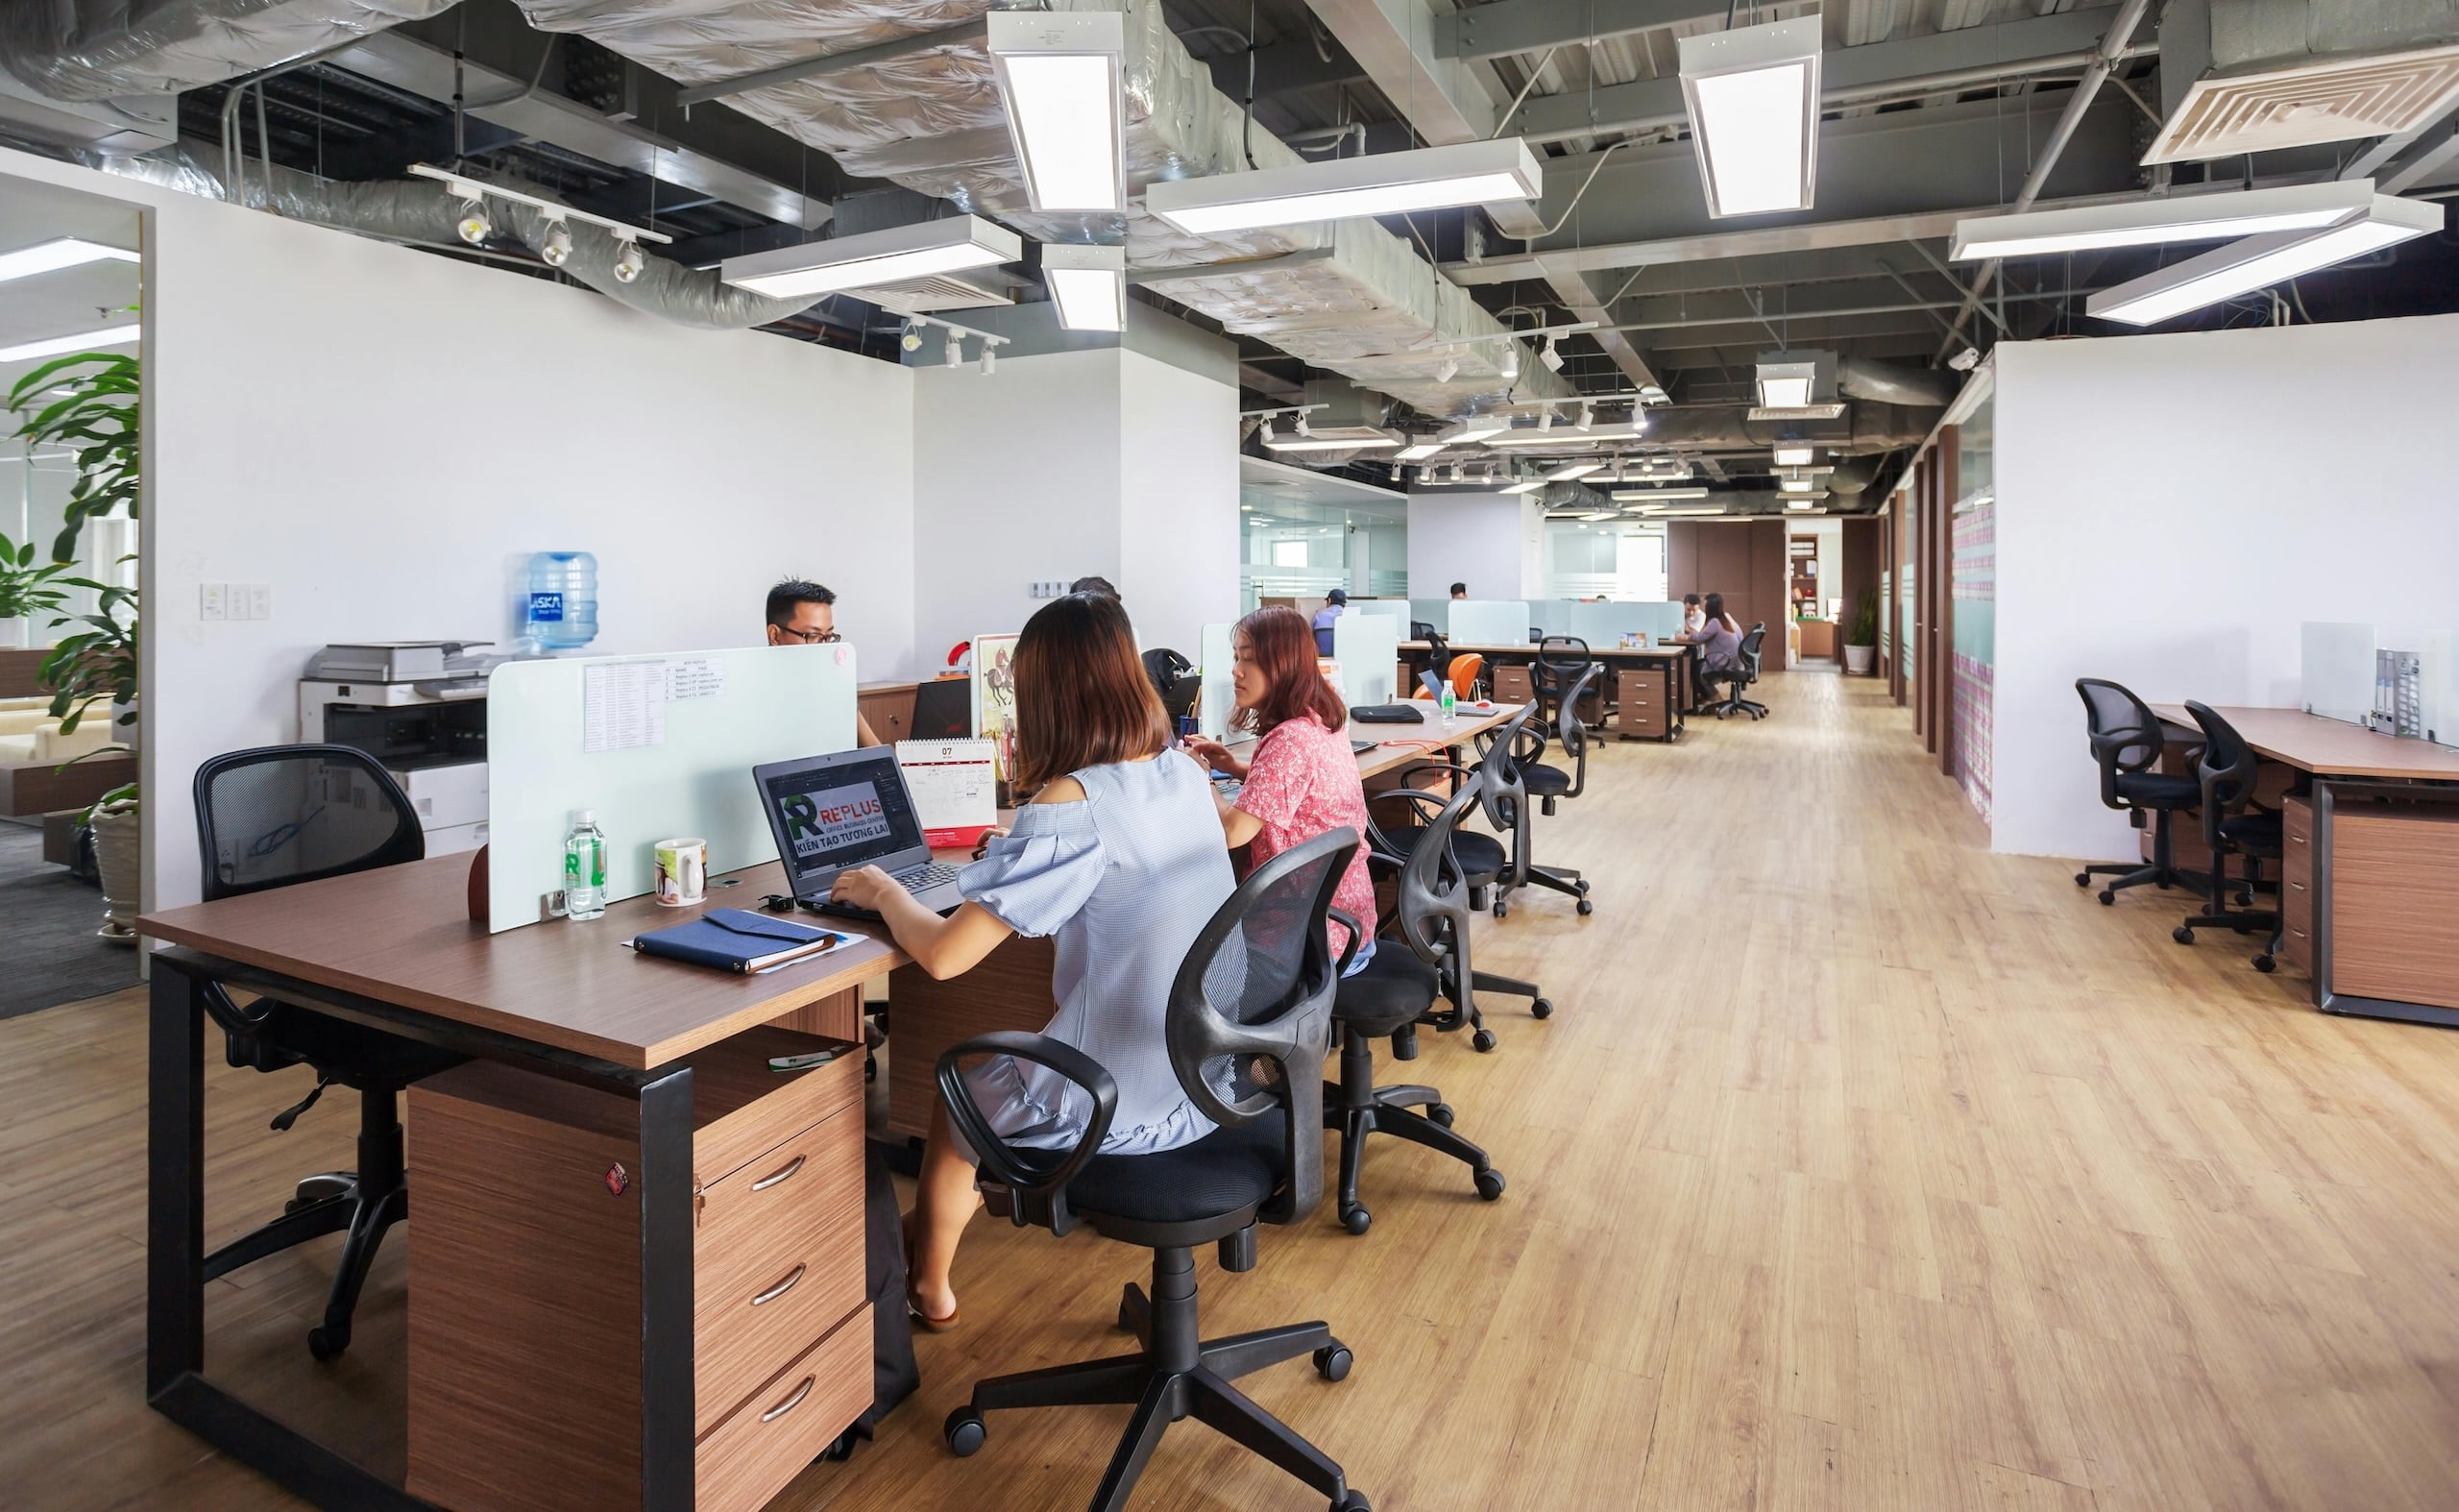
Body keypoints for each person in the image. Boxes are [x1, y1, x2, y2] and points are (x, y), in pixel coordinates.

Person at [828, 592, 1232, 1331]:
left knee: (956, 1100)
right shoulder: (1181, 771)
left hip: (1119, 1103)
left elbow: (946, 957)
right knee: (1004, 1056)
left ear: (1045, 695)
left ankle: (930, 1287)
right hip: (1207, 1075)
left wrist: (884, 890)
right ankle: (919, 1245)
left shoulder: (1072, 802)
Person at [1184, 606, 1376, 975]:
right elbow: (1296, 788)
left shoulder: (1289, 740)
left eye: (1249, 660)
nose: (1236, 671)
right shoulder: (1319, 718)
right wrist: (1234, 767)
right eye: (1236, 657)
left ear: (1282, 665)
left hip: (1305, 938)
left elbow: (1232, 833)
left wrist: (1201, 777)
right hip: (1345, 921)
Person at [766, 577, 881, 745]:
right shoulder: (751, 690)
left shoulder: (834, 684)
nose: (825, 648)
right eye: (813, 636)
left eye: (828, 636)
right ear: (775, 636)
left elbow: (873, 748)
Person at [1674, 590, 1743, 700]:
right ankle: (1706, 701)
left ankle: (1717, 701)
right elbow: (1703, 635)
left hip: (1725, 661)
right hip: (1734, 660)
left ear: (1710, 608)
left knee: (1697, 671)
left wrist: (1686, 637)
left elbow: (1700, 638)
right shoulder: (1724, 619)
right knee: (1697, 666)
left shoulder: (1715, 622)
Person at [1311, 588, 1348, 655]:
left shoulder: (1318, 616)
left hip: (1322, 658)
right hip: (1344, 657)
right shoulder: (1350, 617)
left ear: (1329, 600)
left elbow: (1311, 637)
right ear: (1344, 604)